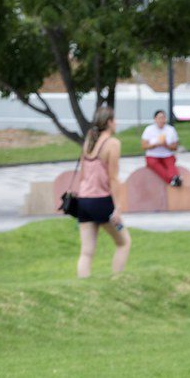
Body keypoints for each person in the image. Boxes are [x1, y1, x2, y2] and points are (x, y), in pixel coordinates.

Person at [76, 106, 131, 278]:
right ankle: (116, 282)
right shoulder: (112, 144)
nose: (117, 123)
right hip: (102, 201)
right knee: (124, 242)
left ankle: (83, 287)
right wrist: (118, 207)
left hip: (83, 201)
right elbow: (113, 178)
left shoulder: (88, 142)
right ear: (109, 122)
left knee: (87, 251)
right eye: (115, 120)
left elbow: (83, 174)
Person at [140, 110, 182, 187]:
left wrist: (166, 145)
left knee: (170, 164)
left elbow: (175, 147)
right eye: (159, 118)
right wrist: (155, 144)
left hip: (167, 154)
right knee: (154, 164)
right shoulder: (149, 129)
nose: (161, 120)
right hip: (153, 155)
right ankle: (172, 180)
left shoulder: (170, 130)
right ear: (155, 119)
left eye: (163, 118)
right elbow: (144, 146)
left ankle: (174, 178)